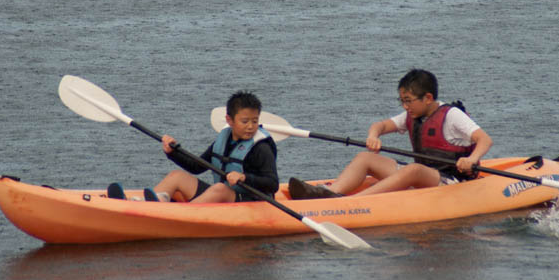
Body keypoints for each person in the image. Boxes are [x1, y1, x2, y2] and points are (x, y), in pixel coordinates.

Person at [288, 69, 492, 199]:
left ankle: (353, 203)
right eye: (402, 101)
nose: (405, 106)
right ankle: (331, 193)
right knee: (365, 157)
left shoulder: (452, 115)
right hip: (424, 174)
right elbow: (381, 125)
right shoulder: (412, 115)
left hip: (453, 180)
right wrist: (373, 136)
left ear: (428, 98)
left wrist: (471, 159)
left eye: (408, 100)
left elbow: (484, 139)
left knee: (413, 169)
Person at [107, 91, 278, 203]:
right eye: (245, 121)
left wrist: (244, 178)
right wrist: (172, 152)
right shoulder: (225, 139)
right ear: (229, 120)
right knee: (177, 176)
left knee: (219, 188)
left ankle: (174, 214)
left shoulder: (261, 148)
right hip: (226, 197)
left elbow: (272, 184)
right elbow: (197, 167)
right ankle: (143, 204)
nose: (250, 126)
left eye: (254, 121)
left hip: (251, 201)